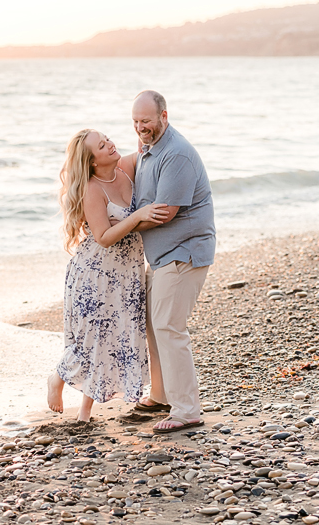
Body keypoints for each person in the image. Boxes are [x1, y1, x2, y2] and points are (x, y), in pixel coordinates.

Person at [46, 129, 169, 422]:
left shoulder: (124, 169)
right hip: (96, 275)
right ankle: (57, 378)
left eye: (108, 139)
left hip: (127, 274)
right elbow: (102, 236)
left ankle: (86, 411)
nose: (111, 144)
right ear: (91, 161)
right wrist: (137, 217)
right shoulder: (92, 188)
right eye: (102, 145)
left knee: (110, 340)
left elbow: (148, 149)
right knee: (92, 339)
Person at [129, 90, 216, 433]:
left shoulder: (176, 154)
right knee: (154, 324)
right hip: (164, 256)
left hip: (184, 252)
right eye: (136, 122)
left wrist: (121, 226)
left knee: (168, 326)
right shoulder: (151, 149)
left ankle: (186, 410)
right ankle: (162, 394)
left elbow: (164, 215)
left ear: (164, 116)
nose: (141, 128)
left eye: (147, 121)